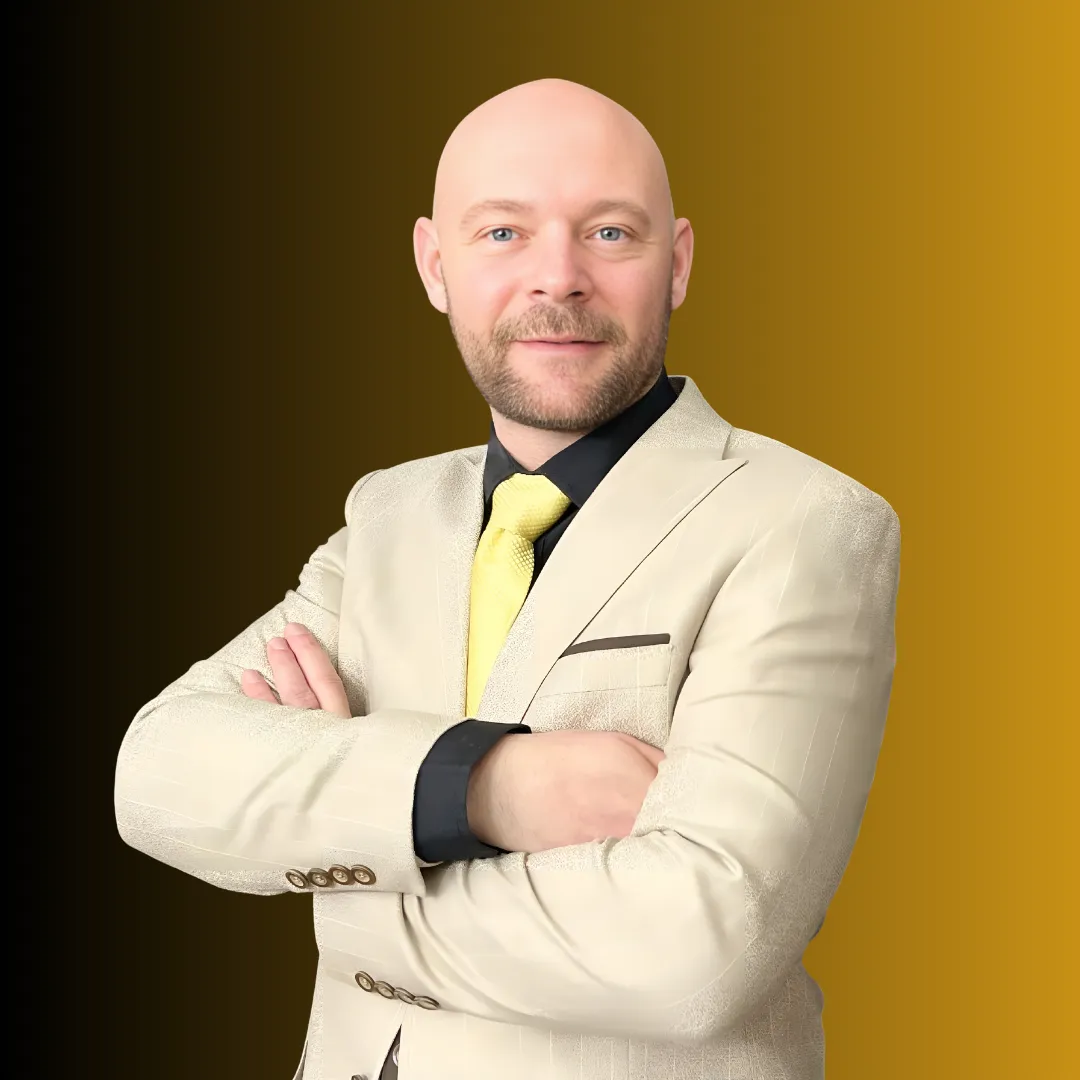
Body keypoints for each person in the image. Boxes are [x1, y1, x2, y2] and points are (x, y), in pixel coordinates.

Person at [114, 77, 901, 1080]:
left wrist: (337, 879)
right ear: (435, 266)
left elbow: (700, 950)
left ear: (680, 264)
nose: (558, 278)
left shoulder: (806, 524)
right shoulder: (385, 517)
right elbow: (158, 774)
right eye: (503, 235)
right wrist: (483, 790)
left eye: (610, 233)